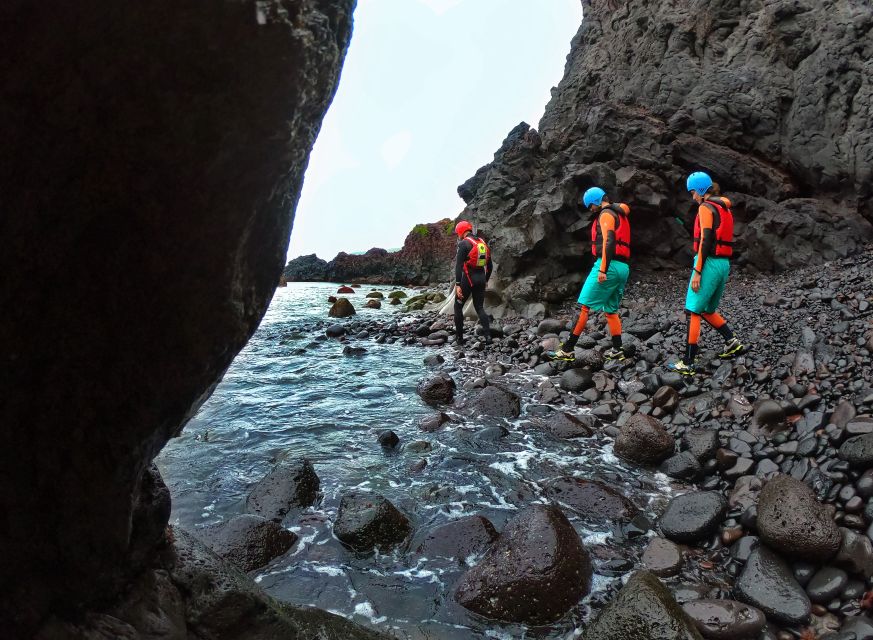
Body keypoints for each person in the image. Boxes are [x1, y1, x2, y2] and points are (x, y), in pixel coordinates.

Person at [668, 171, 743, 375]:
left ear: (701, 191)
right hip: (723, 264)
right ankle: (732, 341)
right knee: (708, 309)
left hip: (708, 263)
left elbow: (706, 240)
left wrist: (697, 270)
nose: (692, 197)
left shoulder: (705, 207)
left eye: (693, 192)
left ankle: (688, 362)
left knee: (693, 311)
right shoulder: (724, 207)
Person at [551, 187, 630, 362]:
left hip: (608, 266)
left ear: (595, 201)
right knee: (611, 310)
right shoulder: (620, 212)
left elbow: (609, 240)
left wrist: (603, 269)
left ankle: (568, 350)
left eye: (590, 206)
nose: (590, 210)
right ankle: (618, 349)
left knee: (583, 307)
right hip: (623, 267)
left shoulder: (606, 214)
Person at [453, 220, 492, 346]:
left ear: (461, 231)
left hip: (468, 278)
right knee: (479, 307)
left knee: (458, 306)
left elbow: (458, 266)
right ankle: (488, 337)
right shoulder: (482, 243)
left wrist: (458, 284)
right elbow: (490, 266)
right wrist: (485, 280)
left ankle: (459, 339)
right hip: (481, 278)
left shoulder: (464, 243)